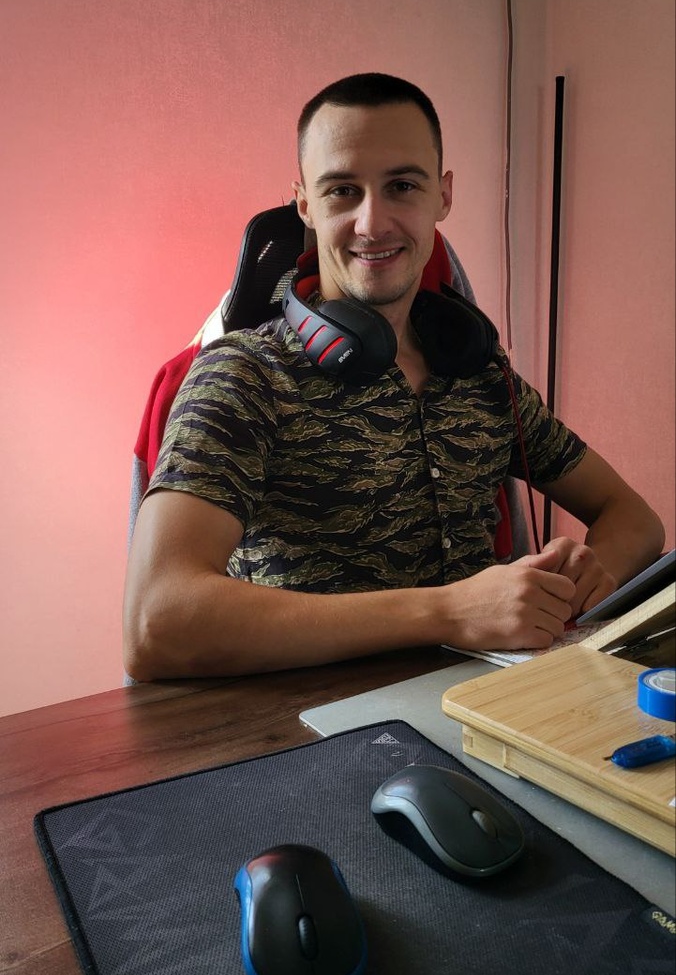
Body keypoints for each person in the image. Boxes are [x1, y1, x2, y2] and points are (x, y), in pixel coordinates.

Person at [123, 73, 664, 681]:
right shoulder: (244, 375)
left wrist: (591, 575)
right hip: (312, 724)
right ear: (304, 204)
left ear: (443, 195)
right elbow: (156, 621)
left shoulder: (478, 370)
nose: (372, 223)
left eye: (402, 186)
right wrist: (447, 612)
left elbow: (634, 517)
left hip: (490, 704)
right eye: (342, 191)